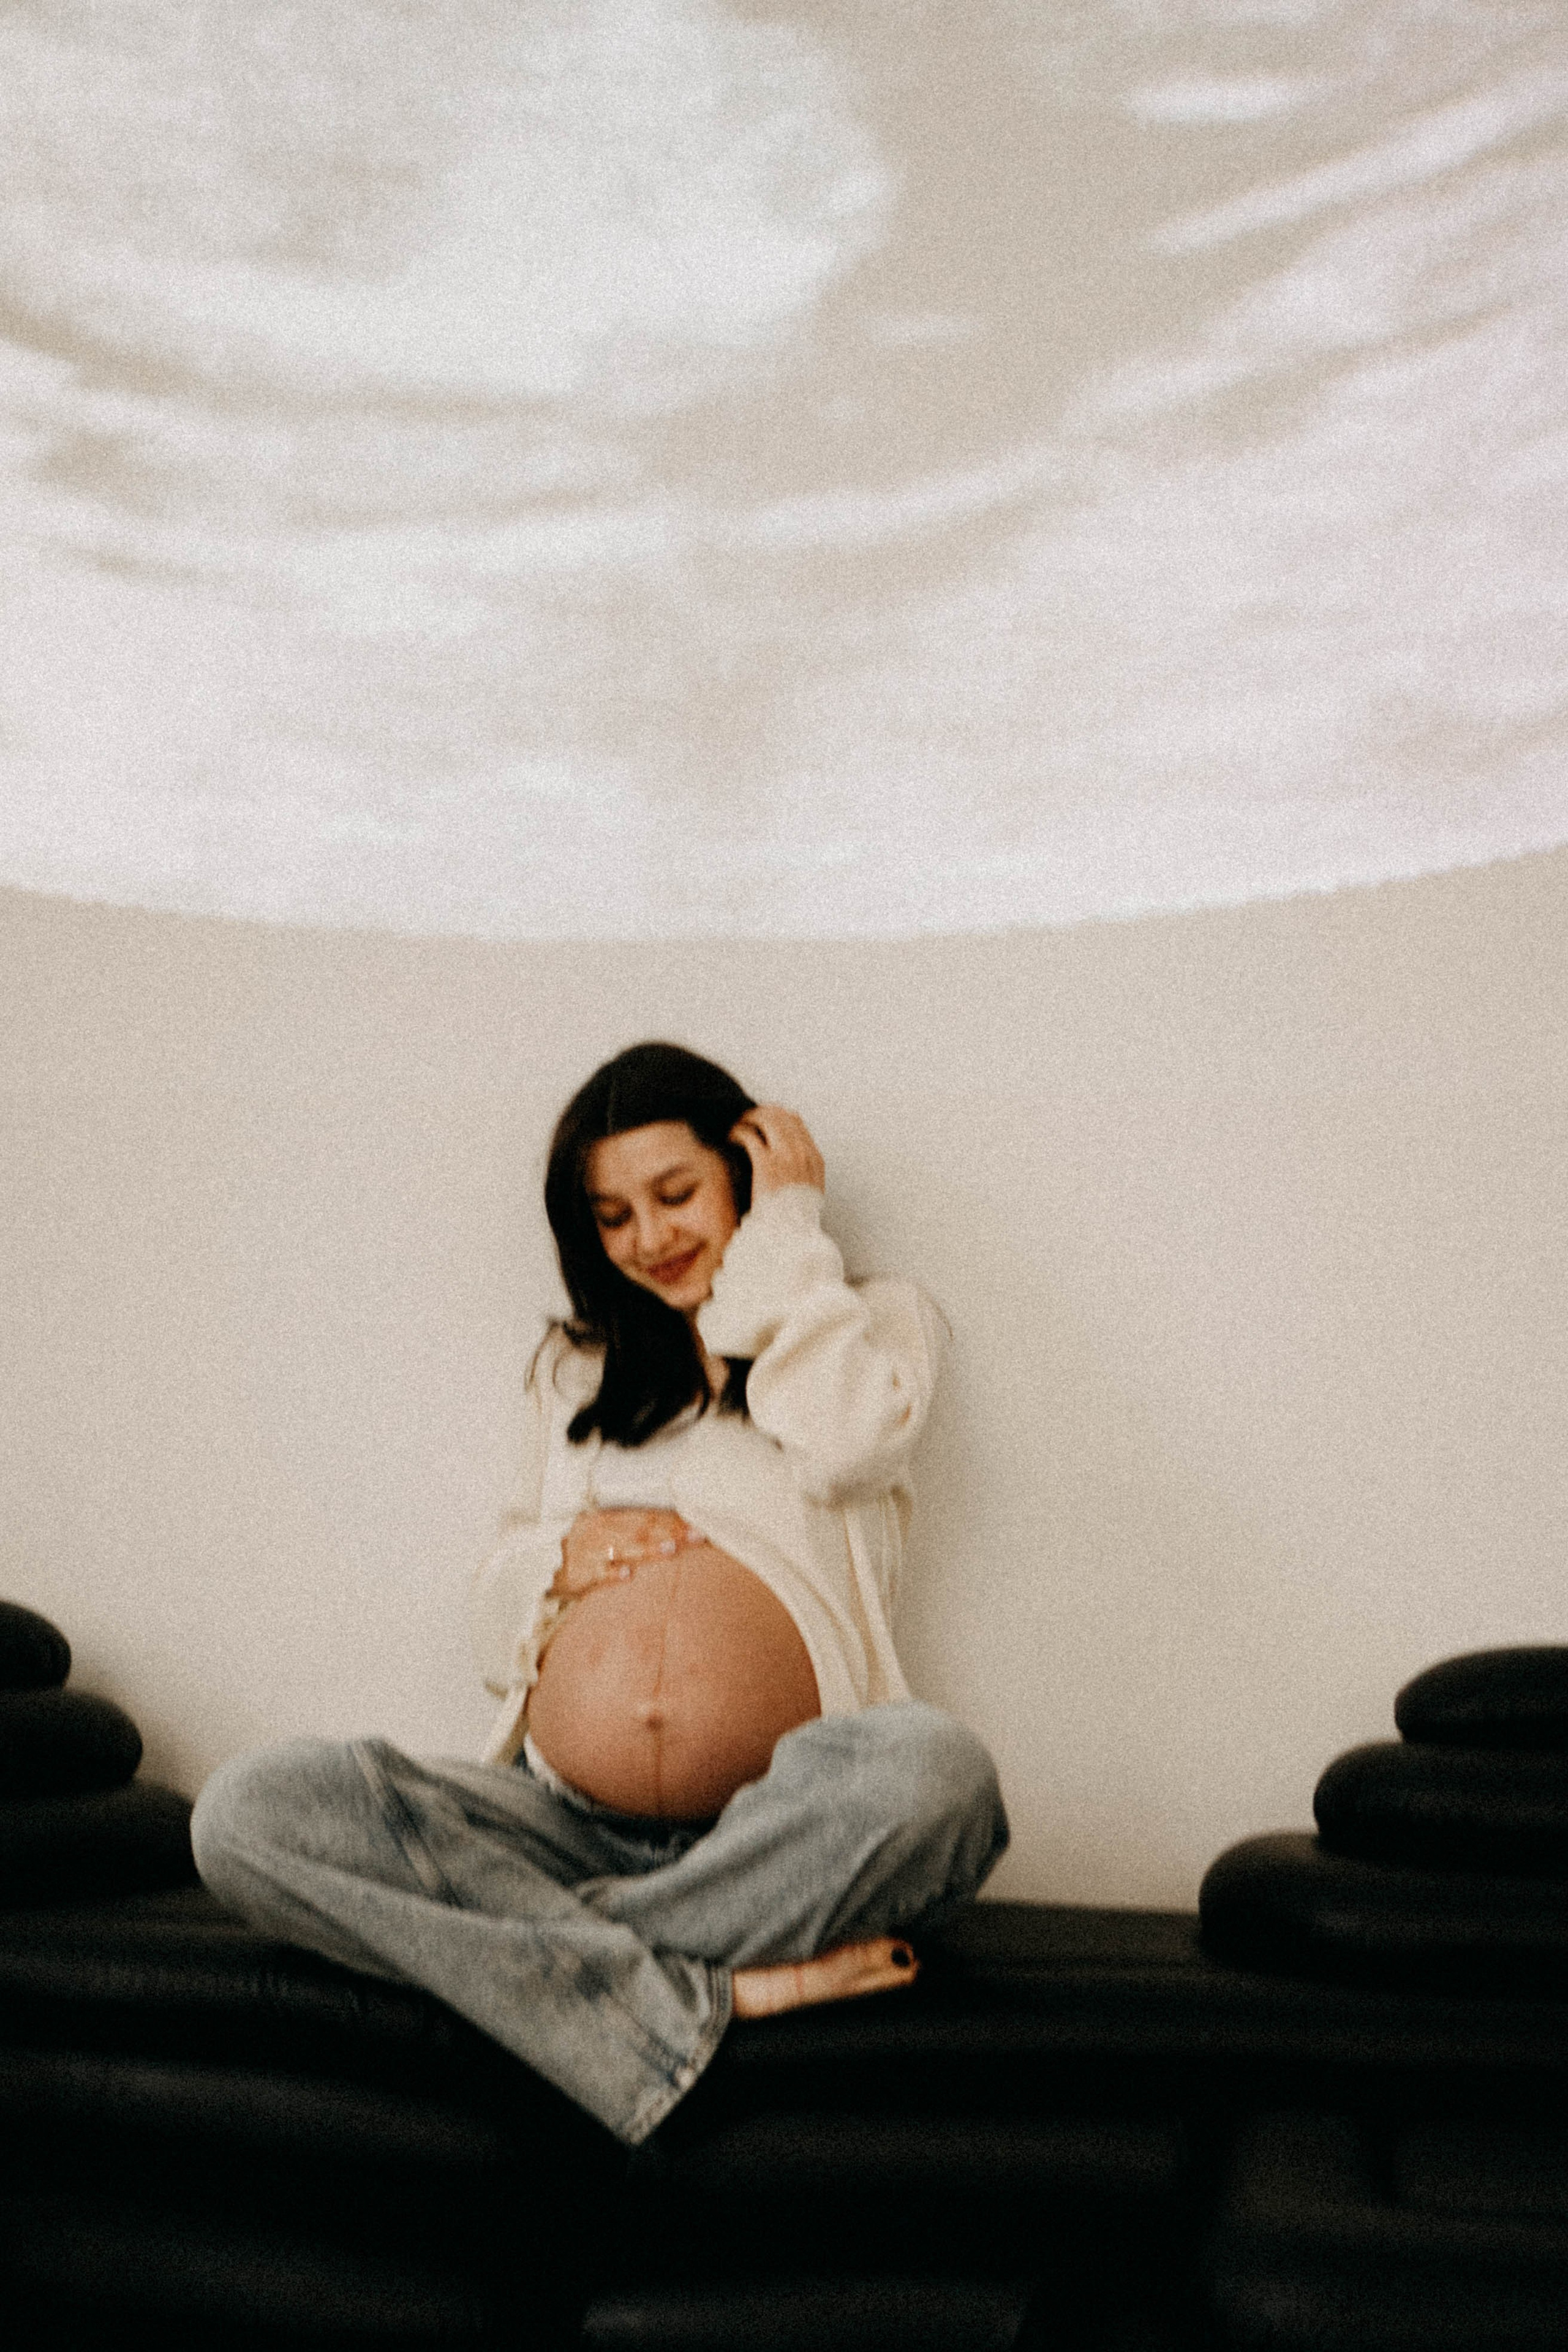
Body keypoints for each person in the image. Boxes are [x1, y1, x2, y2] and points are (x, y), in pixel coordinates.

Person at [190, 1042, 1008, 2145]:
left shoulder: (864, 1323)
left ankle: (560, 1968)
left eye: (677, 1195)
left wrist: (787, 1241)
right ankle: (708, 1994)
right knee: (251, 1811)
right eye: (614, 1217)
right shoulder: (575, 1372)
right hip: (558, 1827)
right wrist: (552, 1564)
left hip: (777, 1833)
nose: (650, 1238)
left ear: (745, 1177)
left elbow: (853, 1447)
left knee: (938, 1776)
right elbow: (497, 1636)